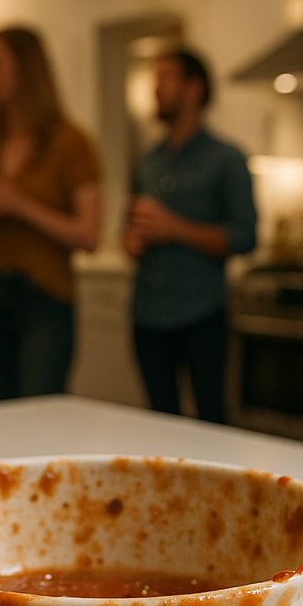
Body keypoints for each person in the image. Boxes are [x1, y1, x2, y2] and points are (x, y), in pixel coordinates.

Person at [0, 27, 101, 401]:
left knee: (40, 415)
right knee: (1, 414)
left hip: (44, 299)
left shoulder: (70, 142)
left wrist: (21, 206)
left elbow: (89, 235)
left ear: (26, 69)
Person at [123, 49, 257, 425]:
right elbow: (130, 229)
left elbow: (245, 236)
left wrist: (174, 228)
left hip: (201, 314)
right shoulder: (149, 162)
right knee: (159, 424)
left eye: (165, 78)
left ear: (194, 88)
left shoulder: (226, 159)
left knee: (211, 421)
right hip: (148, 314)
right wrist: (133, 240)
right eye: (155, 79)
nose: (156, 88)